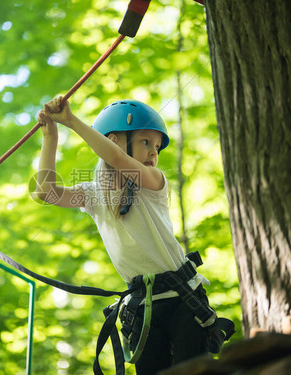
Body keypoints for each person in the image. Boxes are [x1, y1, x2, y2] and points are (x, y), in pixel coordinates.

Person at [35, 96, 232, 374]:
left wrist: (71, 120)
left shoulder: (154, 183)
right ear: (115, 140)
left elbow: (116, 159)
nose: (154, 152)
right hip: (143, 309)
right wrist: (50, 135)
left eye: (157, 147)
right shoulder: (94, 194)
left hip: (182, 300)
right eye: (145, 142)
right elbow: (46, 192)